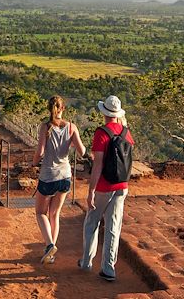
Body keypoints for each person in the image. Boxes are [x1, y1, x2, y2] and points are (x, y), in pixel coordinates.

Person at [79, 95, 134, 282]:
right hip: (122, 185)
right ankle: (108, 268)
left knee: (92, 223)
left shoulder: (102, 133)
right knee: (113, 226)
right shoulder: (126, 132)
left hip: (104, 186)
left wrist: (91, 191)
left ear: (104, 113)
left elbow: (98, 165)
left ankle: (86, 261)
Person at [34, 95, 85, 265]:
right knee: (54, 214)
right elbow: (82, 151)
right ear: (63, 108)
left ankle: (49, 245)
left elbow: (40, 152)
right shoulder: (71, 127)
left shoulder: (45, 127)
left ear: (49, 109)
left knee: (41, 213)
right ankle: (51, 252)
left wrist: (34, 162)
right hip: (65, 176)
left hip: (48, 175)